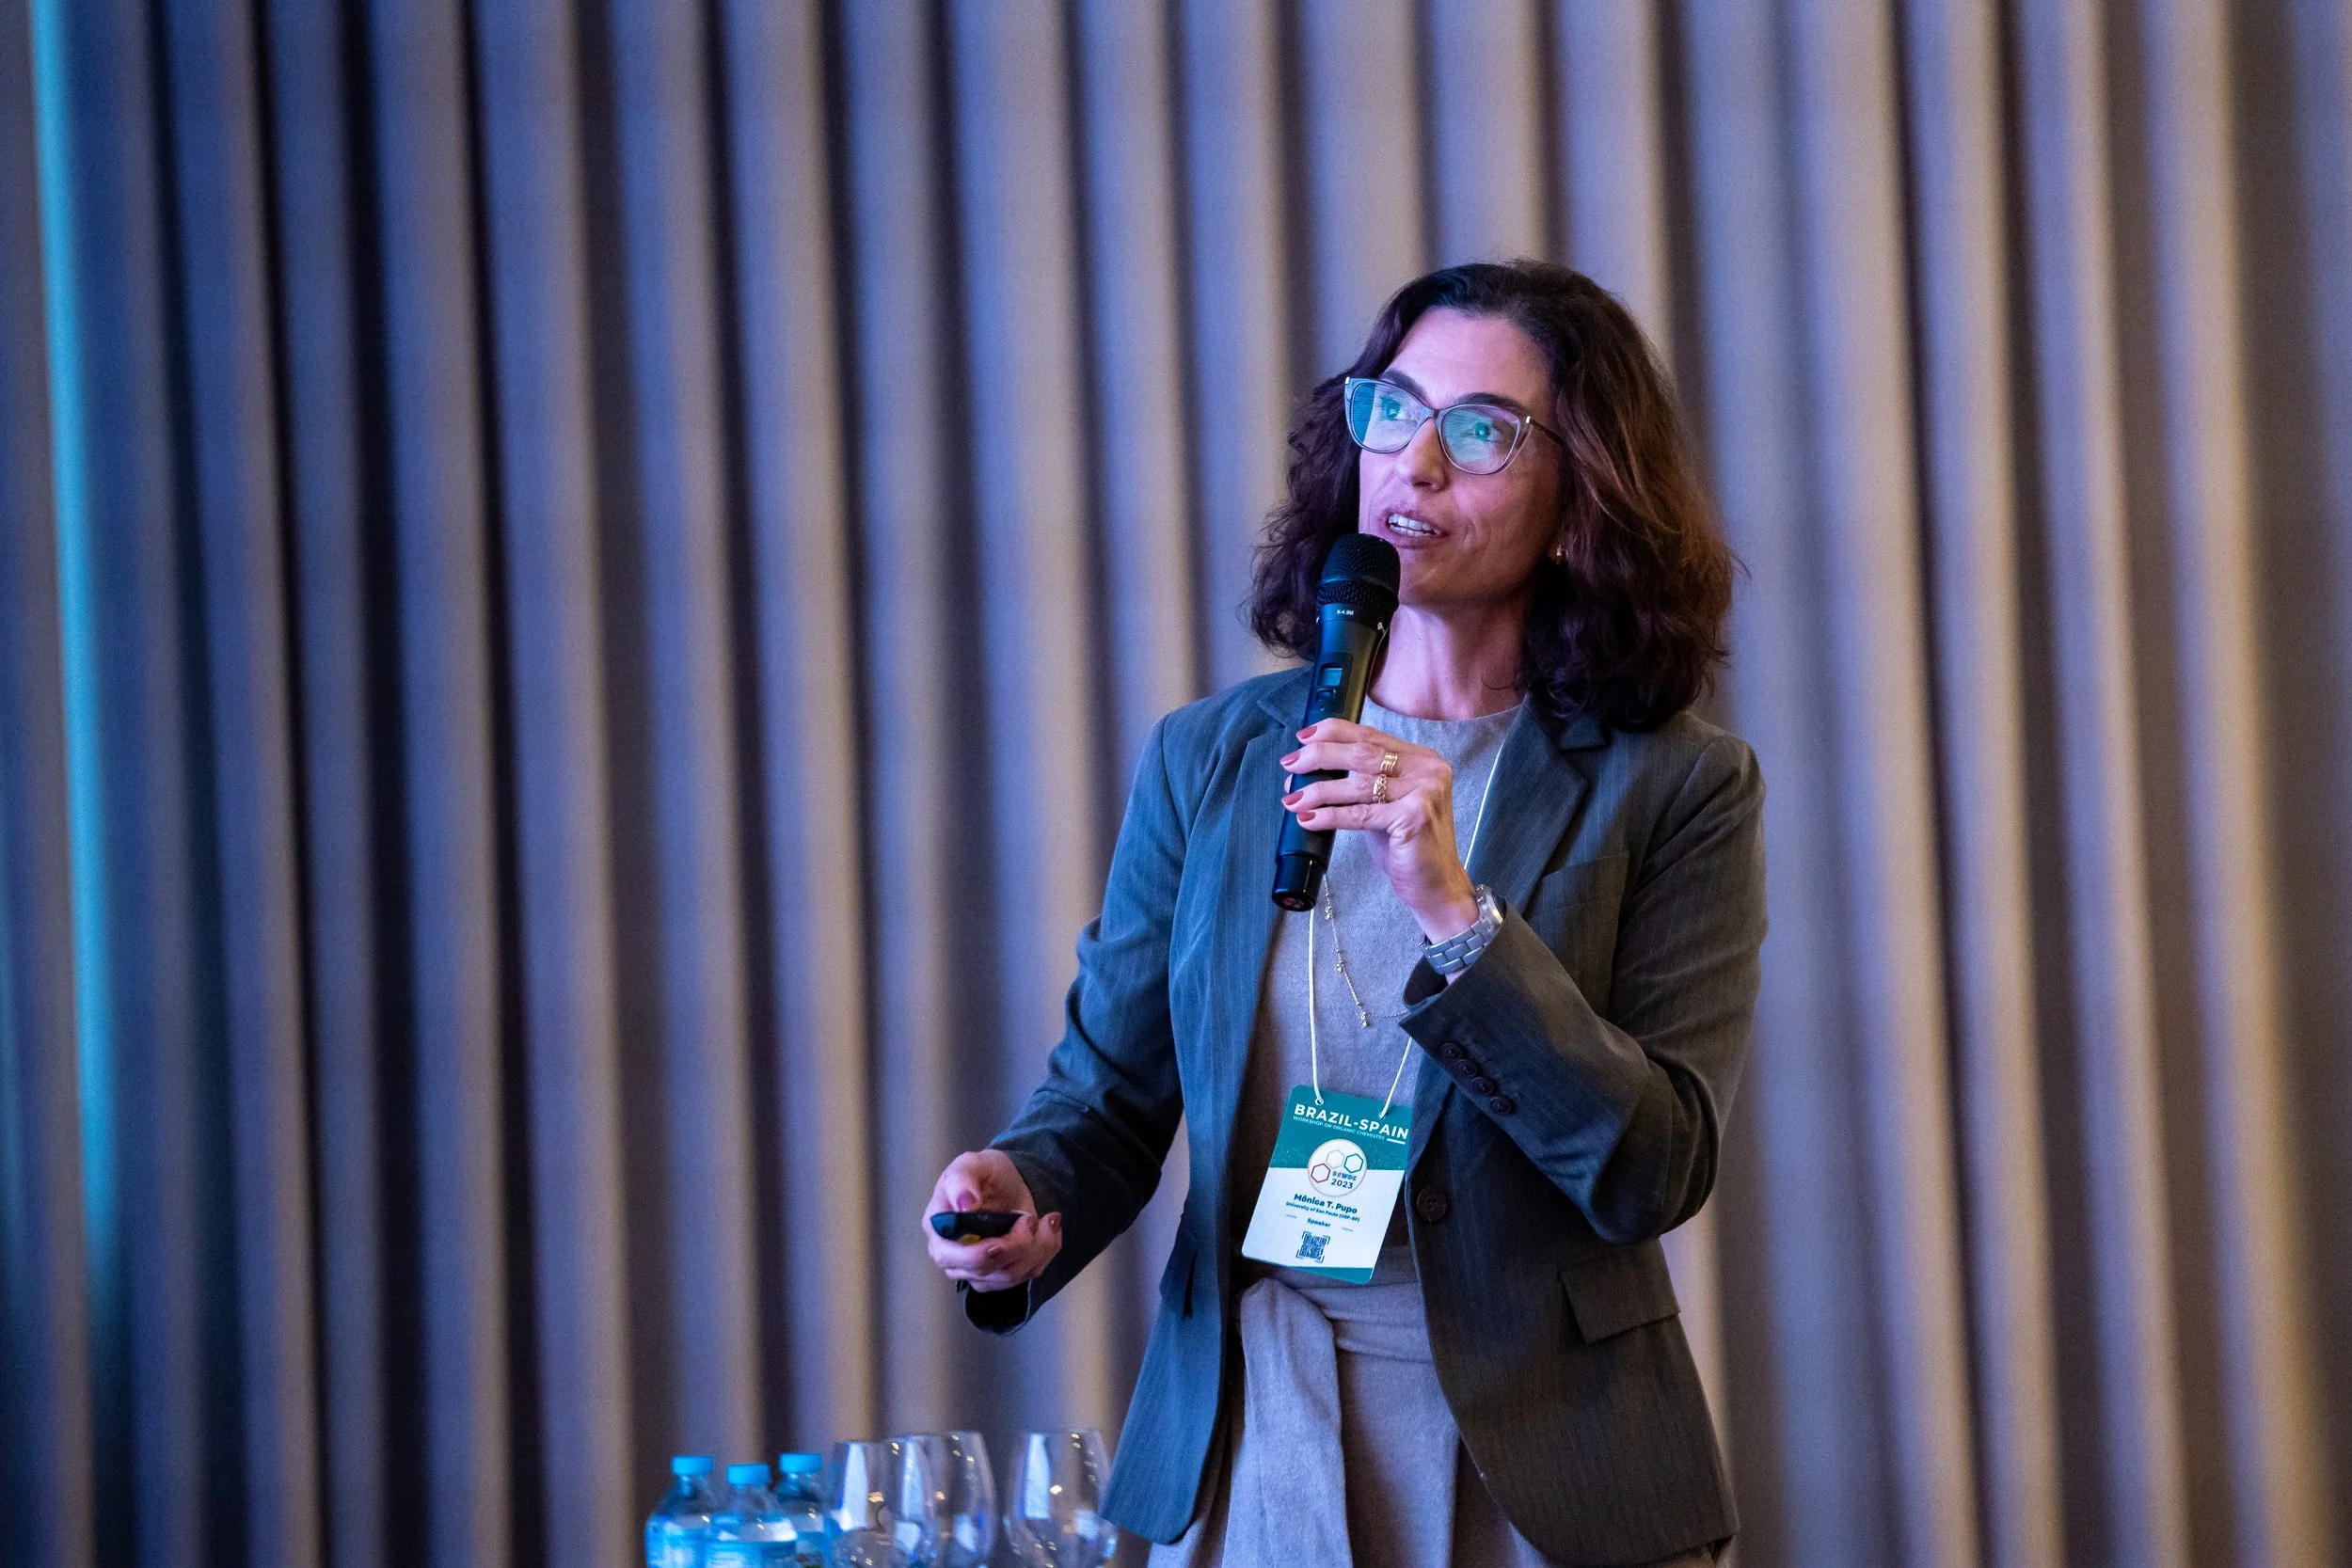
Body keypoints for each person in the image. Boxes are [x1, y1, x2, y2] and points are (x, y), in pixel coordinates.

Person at [924, 261, 1763, 1568]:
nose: (1415, 464)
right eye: (1394, 408)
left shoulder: (1676, 782)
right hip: (1261, 1431)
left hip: (1549, 1457)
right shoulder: (1212, 758)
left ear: (1577, 501)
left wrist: (1457, 911)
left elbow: (1650, 1165)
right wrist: (1021, 1193)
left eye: (1480, 429)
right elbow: (1106, 1098)